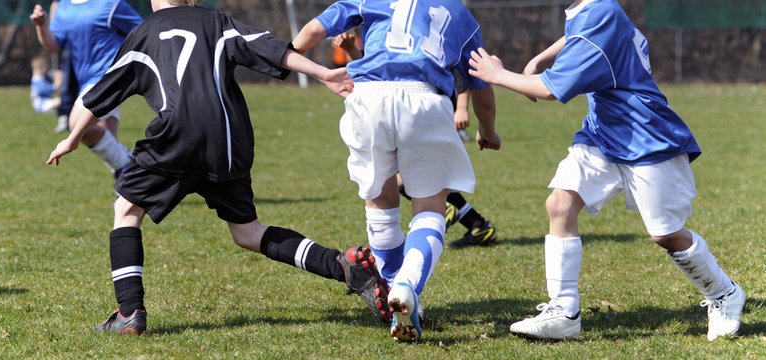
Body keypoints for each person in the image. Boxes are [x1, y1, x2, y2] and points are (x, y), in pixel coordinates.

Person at [46, 0, 390, 335]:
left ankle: (129, 311)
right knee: (248, 232)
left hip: (176, 136)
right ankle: (344, 268)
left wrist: (74, 137)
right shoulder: (216, 22)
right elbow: (269, 47)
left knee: (126, 210)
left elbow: (106, 89)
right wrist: (322, 73)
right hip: (228, 140)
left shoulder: (145, 32)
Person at [467, 0, 745, 341]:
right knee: (560, 203)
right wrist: (541, 57)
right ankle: (564, 313)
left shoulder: (599, 15)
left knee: (665, 234)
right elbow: (576, 36)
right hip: (603, 132)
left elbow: (550, 90)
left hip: (644, 135)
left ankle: (724, 293)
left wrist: (497, 75)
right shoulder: (596, 9)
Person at [293, 0, 500, 342]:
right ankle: (405, 284)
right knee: (430, 209)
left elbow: (315, 29)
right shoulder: (459, 12)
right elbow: (482, 87)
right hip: (424, 98)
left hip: (368, 95)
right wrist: (488, 131)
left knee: (381, 202)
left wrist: (281, 56)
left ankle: (391, 288)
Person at [334, 31, 498, 248]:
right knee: (418, 175)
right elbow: (375, 69)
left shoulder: (429, 21)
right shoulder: (393, 24)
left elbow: (460, 65)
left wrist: (461, 107)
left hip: (427, 108)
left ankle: (445, 212)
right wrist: (351, 50)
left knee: (399, 176)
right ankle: (477, 224)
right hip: (403, 109)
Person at [31, 0, 141, 185]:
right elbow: (54, 45)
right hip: (87, 82)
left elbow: (143, 31)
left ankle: (129, 167)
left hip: (109, 77)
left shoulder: (111, 4)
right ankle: (128, 183)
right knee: (108, 143)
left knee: (76, 122)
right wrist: (41, 26)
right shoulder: (64, 7)